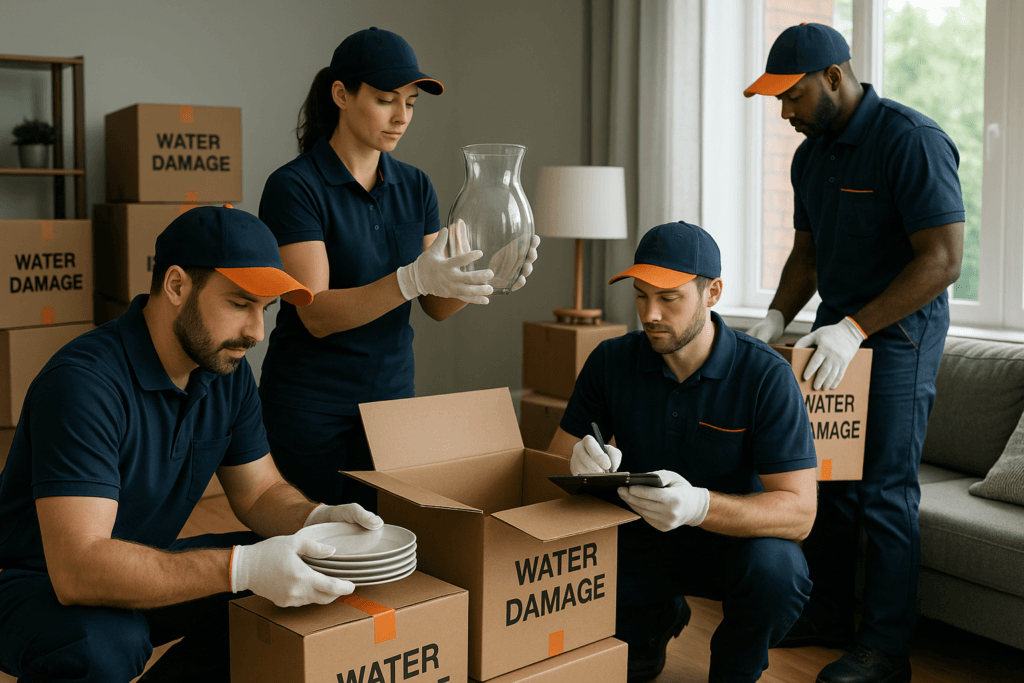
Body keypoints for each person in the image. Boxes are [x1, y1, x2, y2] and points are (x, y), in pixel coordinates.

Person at [0, 206, 386, 682]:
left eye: (264, 310)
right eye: (240, 303)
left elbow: (259, 491)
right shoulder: (84, 384)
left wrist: (316, 519)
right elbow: (78, 567)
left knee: (303, 571)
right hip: (33, 585)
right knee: (102, 645)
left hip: (138, 561)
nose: (256, 333)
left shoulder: (225, 370)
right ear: (177, 286)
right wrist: (242, 568)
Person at [743, 22, 964, 683]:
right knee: (829, 482)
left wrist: (854, 328)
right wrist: (778, 316)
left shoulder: (912, 140)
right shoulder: (809, 156)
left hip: (898, 339)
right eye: (777, 101)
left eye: (793, 97)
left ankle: (886, 649)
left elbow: (944, 260)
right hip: (835, 336)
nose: (785, 113)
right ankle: (830, 614)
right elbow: (807, 254)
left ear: (834, 77)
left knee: (886, 491)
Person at [257, 26, 540, 511]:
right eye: (387, 100)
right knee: (315, 547)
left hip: (390, 403)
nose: (402, 117)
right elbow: (316, 315)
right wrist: (410, 278)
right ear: (341, 95)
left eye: (410, 102)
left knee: (386, 546)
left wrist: (484, 273)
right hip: (310, 405)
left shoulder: (416, 186)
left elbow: (436, 305)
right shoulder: (295, 188)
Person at [547, 221, 818, 683]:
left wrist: (699, 505)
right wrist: (575, 463)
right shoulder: (611, 361)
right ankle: (654, 620)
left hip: (730, 545)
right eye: (640, 295)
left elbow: (800, 513)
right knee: (626, 666)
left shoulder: (766, 376)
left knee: (779, 571)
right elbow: (550, 463)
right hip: (637, 539)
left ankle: (736, 667)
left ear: (712, 293)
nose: (650, 314)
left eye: (669, 299)